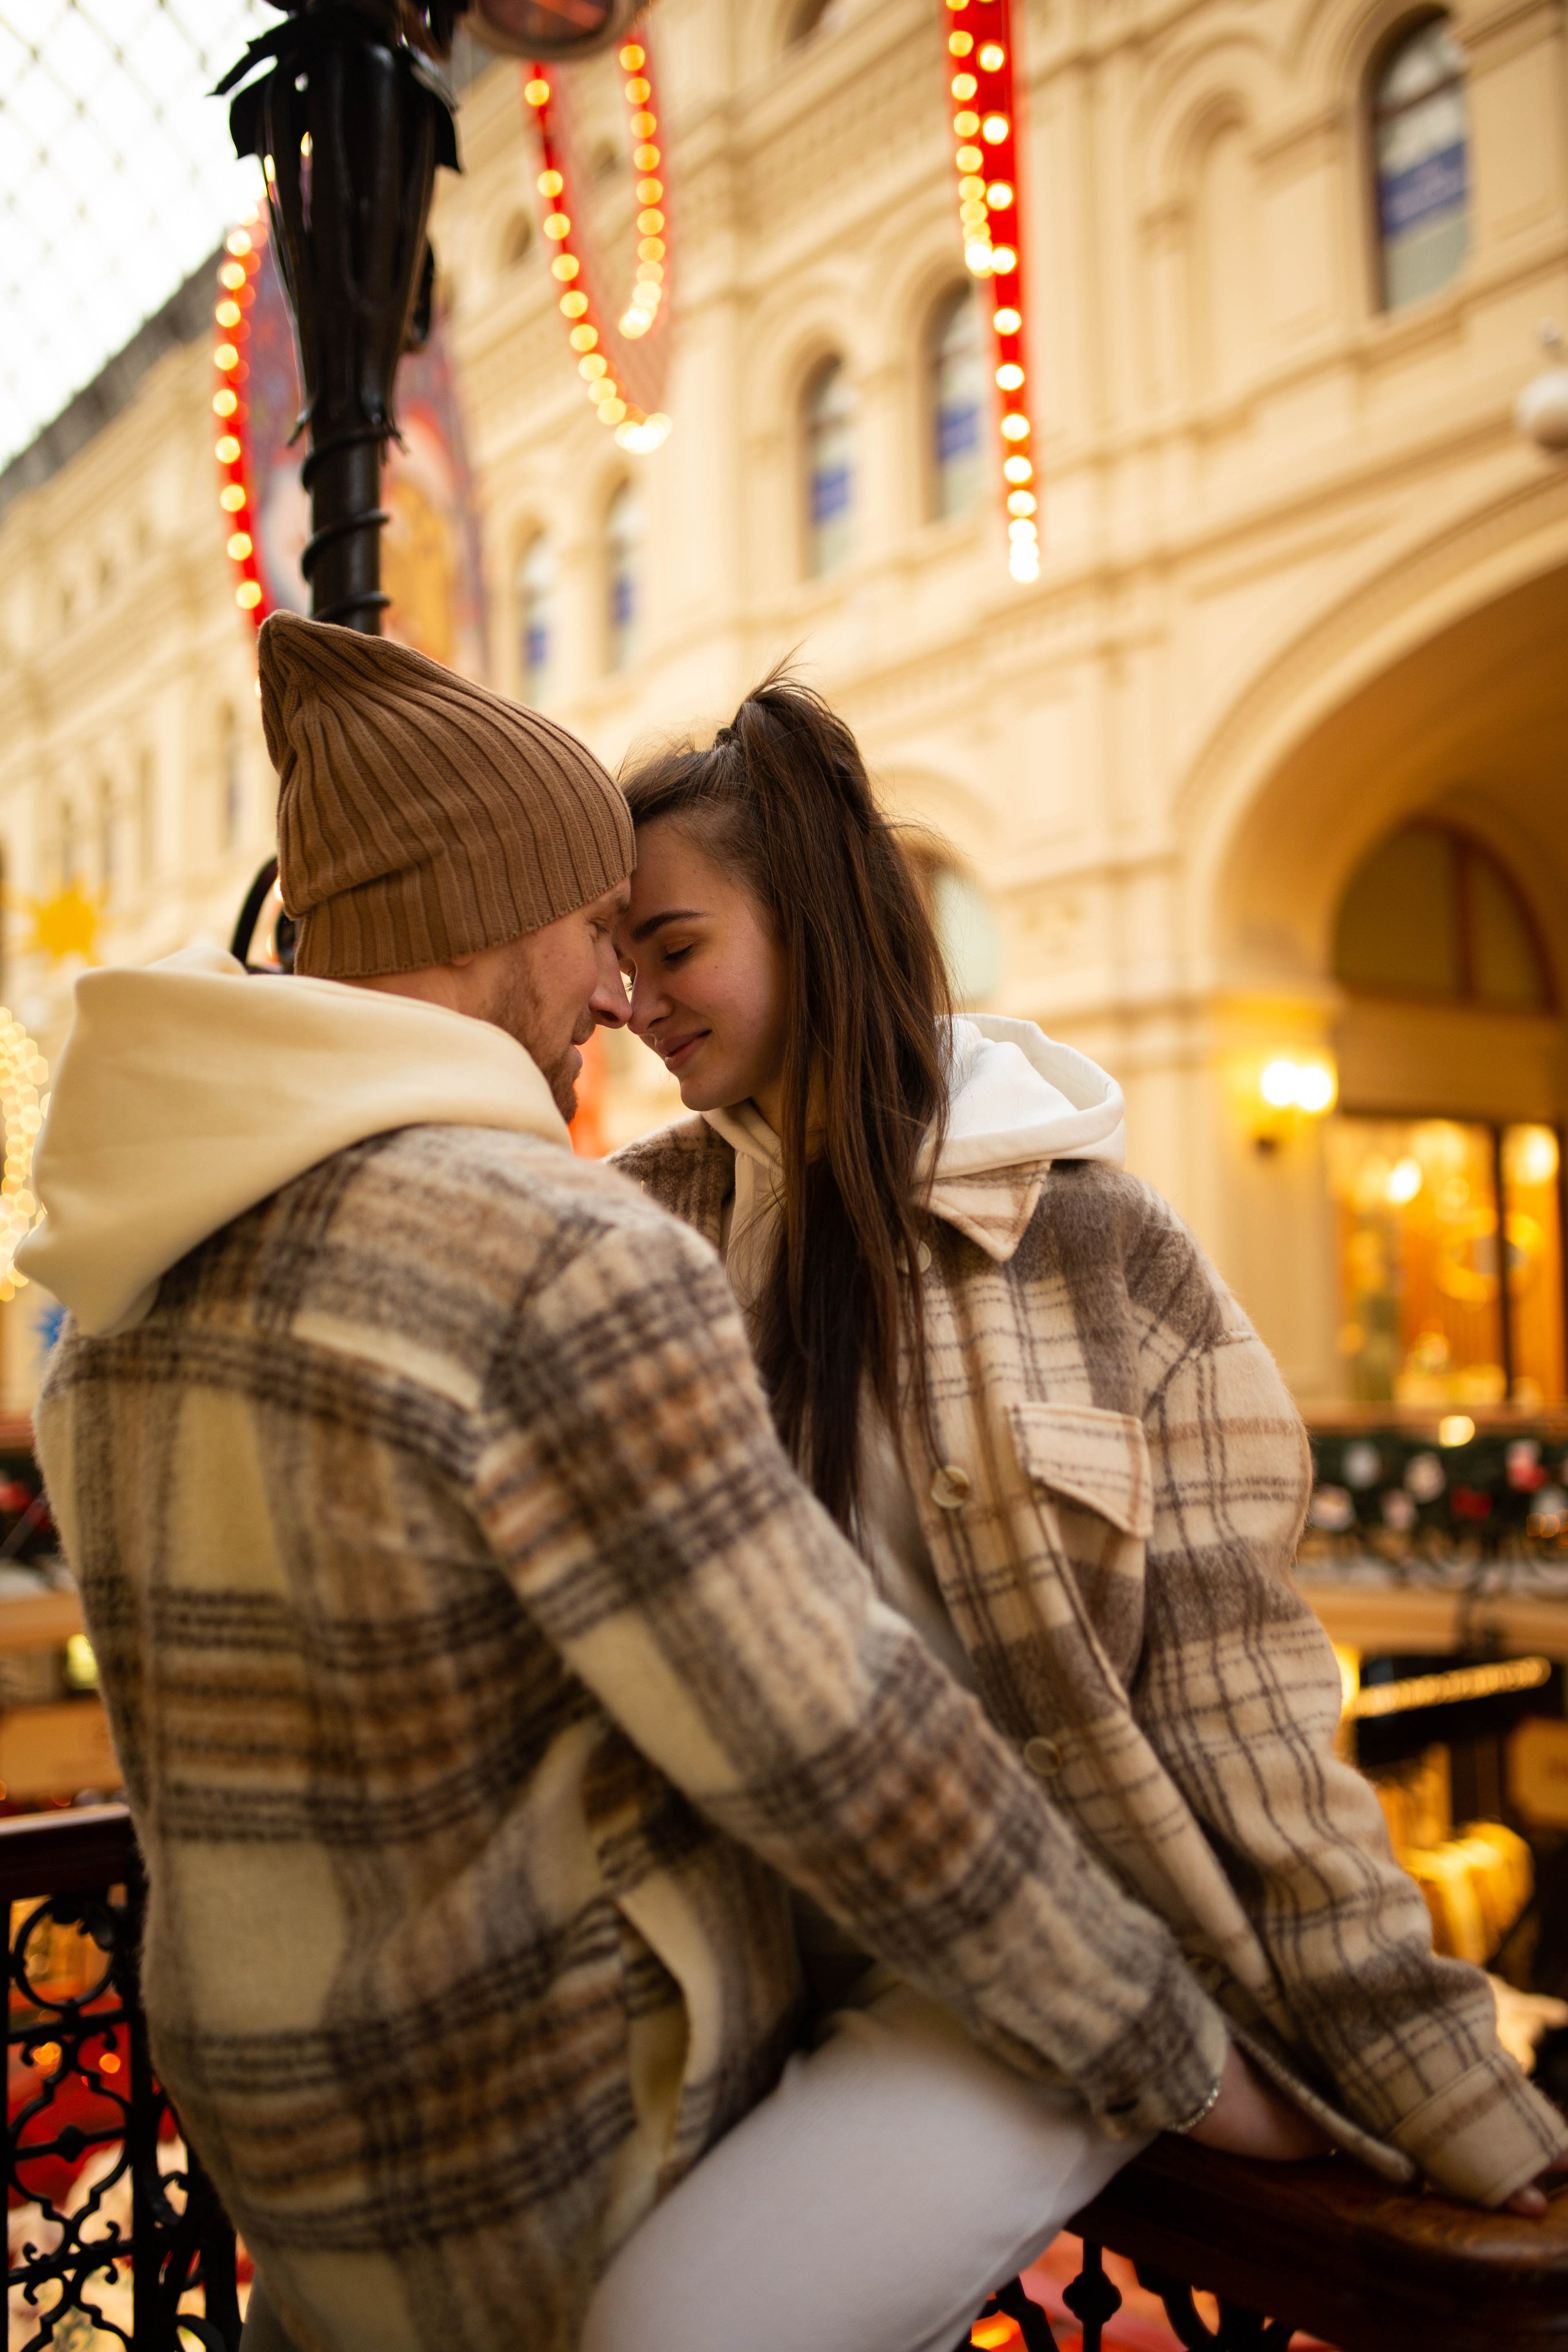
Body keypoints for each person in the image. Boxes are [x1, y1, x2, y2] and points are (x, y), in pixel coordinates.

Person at [23, 614, 1283, 2352]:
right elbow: (839, 1748)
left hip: (306, 2194)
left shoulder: (114, 1313)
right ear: (488, 922)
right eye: (588, 930)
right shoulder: (554, 1251)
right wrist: (1171, 2046)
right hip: (566, 2186)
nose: (614, 994)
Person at [601, 669, 1568, 2337]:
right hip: (731, 1960)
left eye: (671, 948)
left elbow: (1242, 1705)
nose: (632, 1000)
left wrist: (1428, 2072)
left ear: (814, 921)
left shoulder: (1101, 1247)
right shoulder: (641, 1234)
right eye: (618, 959)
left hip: (1040, 1979)